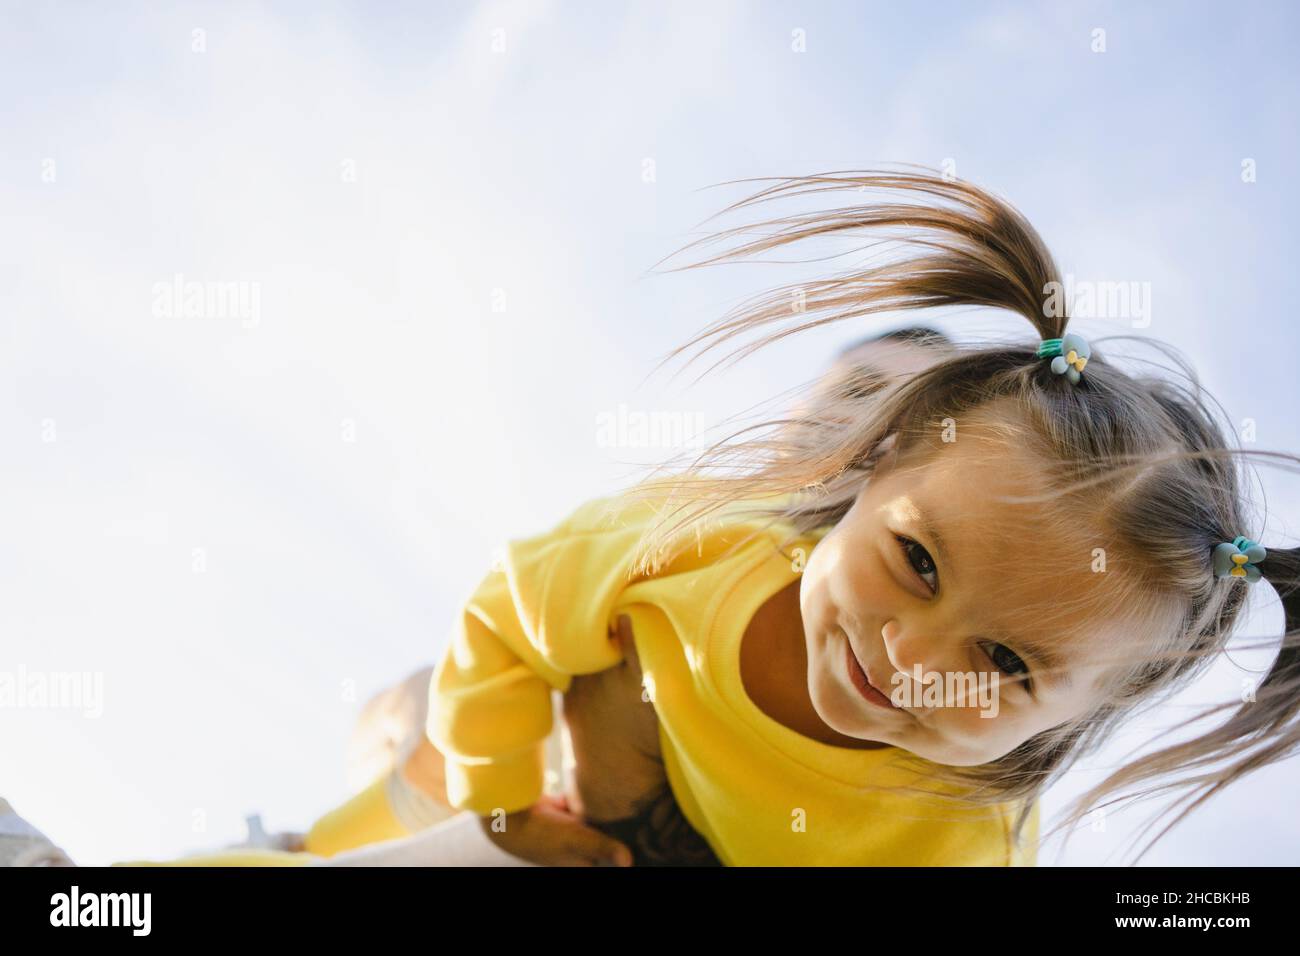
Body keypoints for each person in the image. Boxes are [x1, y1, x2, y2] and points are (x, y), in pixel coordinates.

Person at [129, 168, 1300, 867]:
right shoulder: (703, 544)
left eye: (1004, 660)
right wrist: (497, 799)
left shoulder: (967, 834)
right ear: (868, 469)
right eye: (916, 561)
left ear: (1065, 724)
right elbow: (510, 609)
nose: (912, 658)